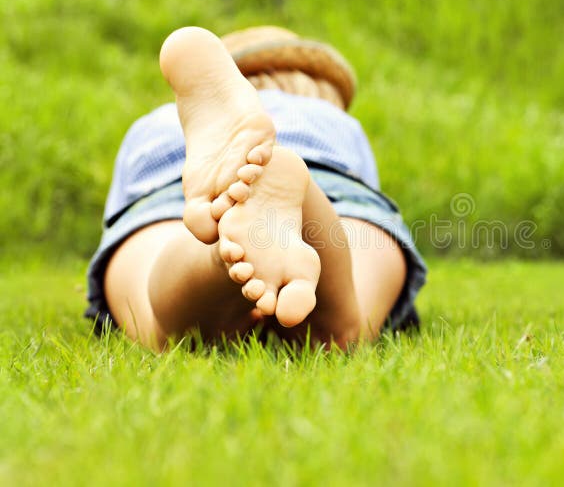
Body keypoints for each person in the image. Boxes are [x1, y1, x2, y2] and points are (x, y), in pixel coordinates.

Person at [85, 26, 427, 351]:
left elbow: (120, 211)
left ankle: (219, 255)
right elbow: (367, 194)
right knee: (349, 317)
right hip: (329, 177)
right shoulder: (334, 120)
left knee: (157, 319)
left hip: (176, 185)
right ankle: (304, 198)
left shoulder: (156, 122)